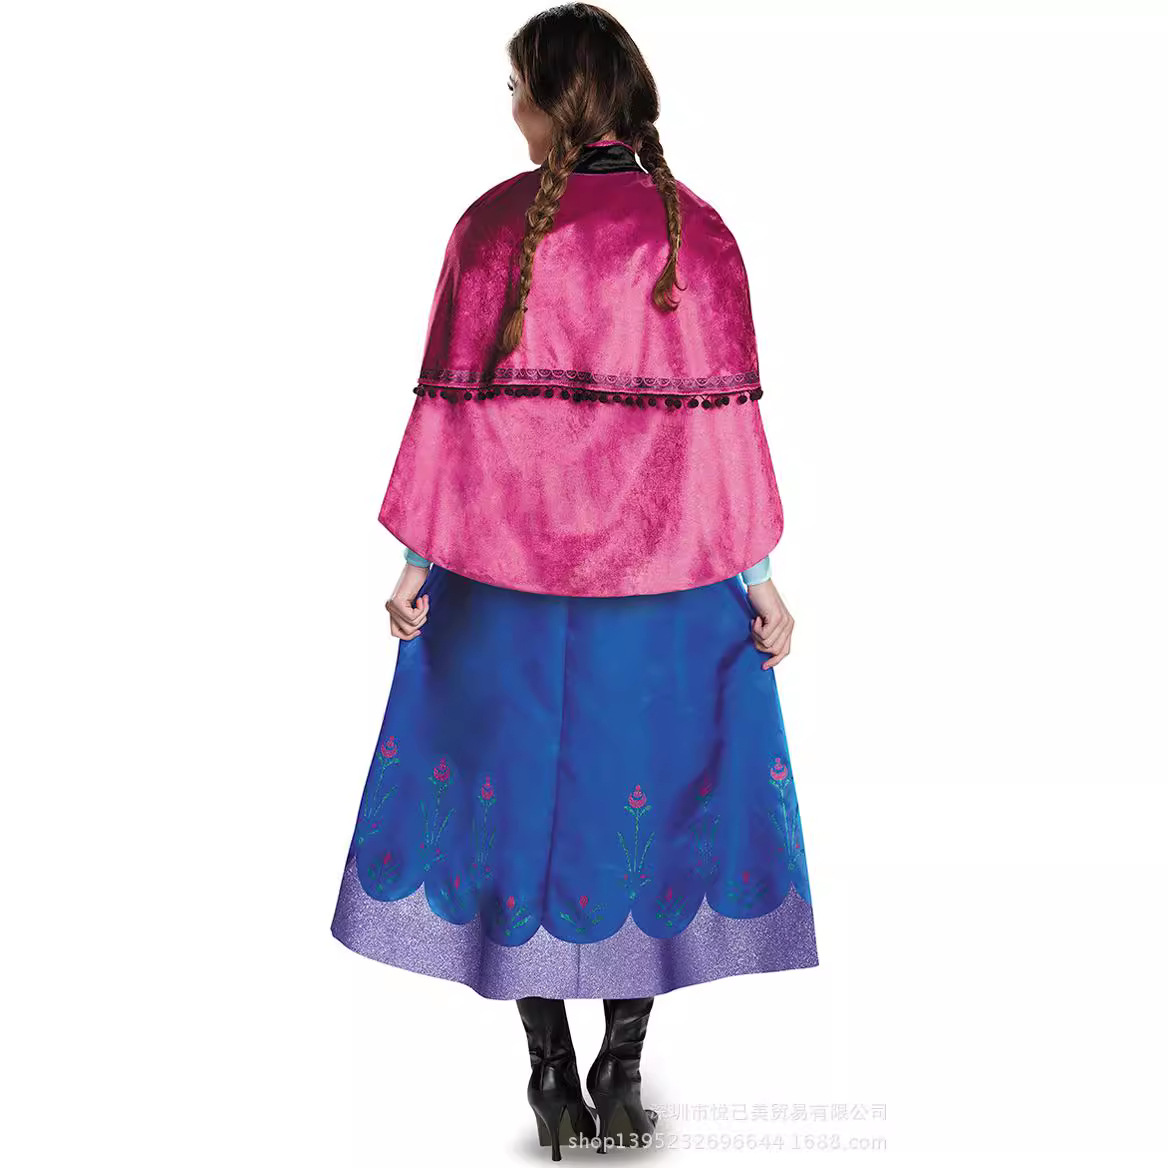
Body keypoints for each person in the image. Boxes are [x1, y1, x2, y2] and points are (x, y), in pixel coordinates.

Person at [330, 5, 819, 1158]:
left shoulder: (489, 229)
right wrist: (759, 575)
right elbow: (723, 428)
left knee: (521, 817)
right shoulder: (696, 235)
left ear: (561, 100)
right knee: (644, 806)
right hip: (666, 596)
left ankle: (552, 1071)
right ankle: (621, 1066)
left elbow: (450, 416)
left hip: (502, 589)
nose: (511, 109)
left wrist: (418, 560)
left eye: (519, 88)